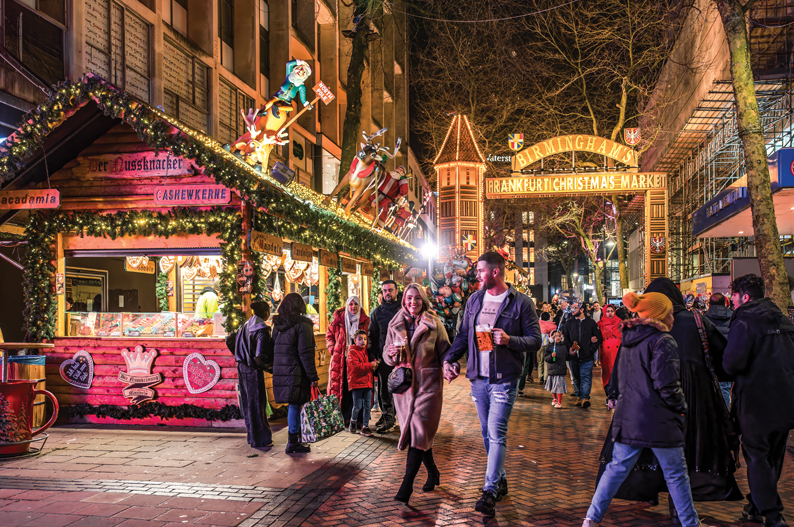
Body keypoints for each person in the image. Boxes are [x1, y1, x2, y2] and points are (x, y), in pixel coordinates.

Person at [583, 292, 701, 527]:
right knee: (676, 475)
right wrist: (681, 407)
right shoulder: (663, 341)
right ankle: (691, 523)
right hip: (659, 420)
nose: (673, 316)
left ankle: (591, 518)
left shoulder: (629, 340)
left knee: (616, 469)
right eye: (669, 312)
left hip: (630, 417)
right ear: (659, 315)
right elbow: (667, 384)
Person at [443, 252, 542, 517]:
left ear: (496, 272)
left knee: (497, 432)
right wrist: (449, 359)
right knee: (487, 433)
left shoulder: (521, 302)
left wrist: (510, 340)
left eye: (481, 271)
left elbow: (536, 340)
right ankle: (500, 479)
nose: (476, 275)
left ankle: (489, 491)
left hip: (505, 378)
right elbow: (463, 335)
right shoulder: (474, 300)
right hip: (478, 378)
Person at [635, 277, 741, 505]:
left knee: (654, 447)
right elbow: (721, 353)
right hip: (694, 394)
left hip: (654, 393)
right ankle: (681, 503)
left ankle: (650, 488)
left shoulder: (645, 323)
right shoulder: (696, 320)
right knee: (689, 446)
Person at [724, 274, 794, 527]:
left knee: (757, 454)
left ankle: (773, 514)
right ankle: (756, 504)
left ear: (744, 296)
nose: (731, 301)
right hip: (785, 399)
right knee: (773, 456)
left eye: (733, 295)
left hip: (756, 400)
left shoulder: (745, 320)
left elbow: (732, 363)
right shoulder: (783, 319)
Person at [384, 283, 450, 503]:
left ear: (424, 300)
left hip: (428, 386)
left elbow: (446, 352)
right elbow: (386, 354)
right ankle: (433, 471)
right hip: (404, 389)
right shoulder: (395, 324)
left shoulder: (434, 323)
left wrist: (450, 367)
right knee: (416, 435)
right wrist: (390, 354)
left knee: (419, 431)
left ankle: (406, 486)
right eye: (409, 298)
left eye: (417, 299)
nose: (413, 302)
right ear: (404, 300)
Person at [271, 293, 320, 454]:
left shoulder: (277, 326)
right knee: (295, 405)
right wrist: (313, 376)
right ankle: (293, 441)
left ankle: (296, 439)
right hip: (297, 371)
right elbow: (305, 353)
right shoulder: (303, 325)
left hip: (281, 371)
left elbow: (273, 349)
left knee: (294, 405)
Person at [230, 301, 274, 448]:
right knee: (257, 404)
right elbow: (260, 355)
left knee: (248, 404)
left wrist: (239, 355)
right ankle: (261, 439)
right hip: (253, 369)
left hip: (241, 367)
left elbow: (230, 339)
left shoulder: (246, 324)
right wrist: (272, 369)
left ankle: (252, 437)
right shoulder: (262, 328)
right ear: (266, 313)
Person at [326, 295, 370, 426]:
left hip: (358, 360)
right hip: (341, 360)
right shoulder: (338, 320)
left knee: (357, 389)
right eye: (351, 304)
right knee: (343, 387)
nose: (353, 307)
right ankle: (344, 417)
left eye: (356, 304)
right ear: (347, 306)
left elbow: (370, 336)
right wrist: (333, 349)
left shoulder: (365, 321)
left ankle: (357, 419)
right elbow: (329, 335)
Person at [369, 280, 401, 433]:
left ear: (396, 291)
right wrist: (374, 357)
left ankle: (399, 415)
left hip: (402, 356)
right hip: (384, 356)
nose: (387, 293)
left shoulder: (403, 309)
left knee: (402, 386)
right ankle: (387, 416)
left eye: (390, 290)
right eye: (385, 290)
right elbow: (373, 337)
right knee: (383, 388)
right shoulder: (377, 312)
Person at [562, 302, 602, 408]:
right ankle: (579, 396)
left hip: (587, 356)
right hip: (573, 356)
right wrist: (569, 348)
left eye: (575, 308)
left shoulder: (591, 323)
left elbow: (597, 338)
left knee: (585, 376)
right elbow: (564, 337)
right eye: (572, 308)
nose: (573, 310)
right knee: (576, 378)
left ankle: (585, 397)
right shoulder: (569, 323)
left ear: (582, 309)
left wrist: (591, 350)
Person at [703, 292, 733, 409]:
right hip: (727, 357)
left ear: (709, 303)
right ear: (725, 302)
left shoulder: (703, 318)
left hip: (709, 358)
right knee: (725, 387)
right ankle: (725, 415)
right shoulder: (732, 317)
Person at [347, 329, 378, 436]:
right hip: (357, 383)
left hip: (368, 383)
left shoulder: (366, 352)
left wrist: (374, 364)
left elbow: (371, 363)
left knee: (368, 406)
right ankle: (353, 422)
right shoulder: (352, 352)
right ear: (355, 340)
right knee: (357, 406)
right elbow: (356, 367)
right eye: (360, 339)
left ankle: (365, 426)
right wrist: (371, 365)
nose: (363, 341)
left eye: (365, 339)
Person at [597, 304, 622, 390]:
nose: (610, 313)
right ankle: (609, 392)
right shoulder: (600, 324)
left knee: (618, 371)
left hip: (618, 351)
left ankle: (618, 392)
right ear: (604, 312)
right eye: (607, 311)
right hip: (606, 352)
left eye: (611, 311)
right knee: (607, 372)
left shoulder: (619, 322)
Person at [544, 330, 571, 408]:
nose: (557, 338)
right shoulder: (549, 347)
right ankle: (554, 398)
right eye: (555, 336)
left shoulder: (564, 347)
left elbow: (567, 357)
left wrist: (572, 353)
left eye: (559, 336)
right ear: (552, 338)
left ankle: (559, 402)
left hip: (560, 369)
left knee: (559, 387)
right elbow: (546, 358)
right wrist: (551, 356)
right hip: (552, 369)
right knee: (553, 386)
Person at [536, 312, 557, 386]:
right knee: (547, 362)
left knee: (540, 361)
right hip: (549, 345)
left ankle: (540, 377)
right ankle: (545, 378)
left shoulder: (539, 324)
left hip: (540, 345)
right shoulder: (552, 326)